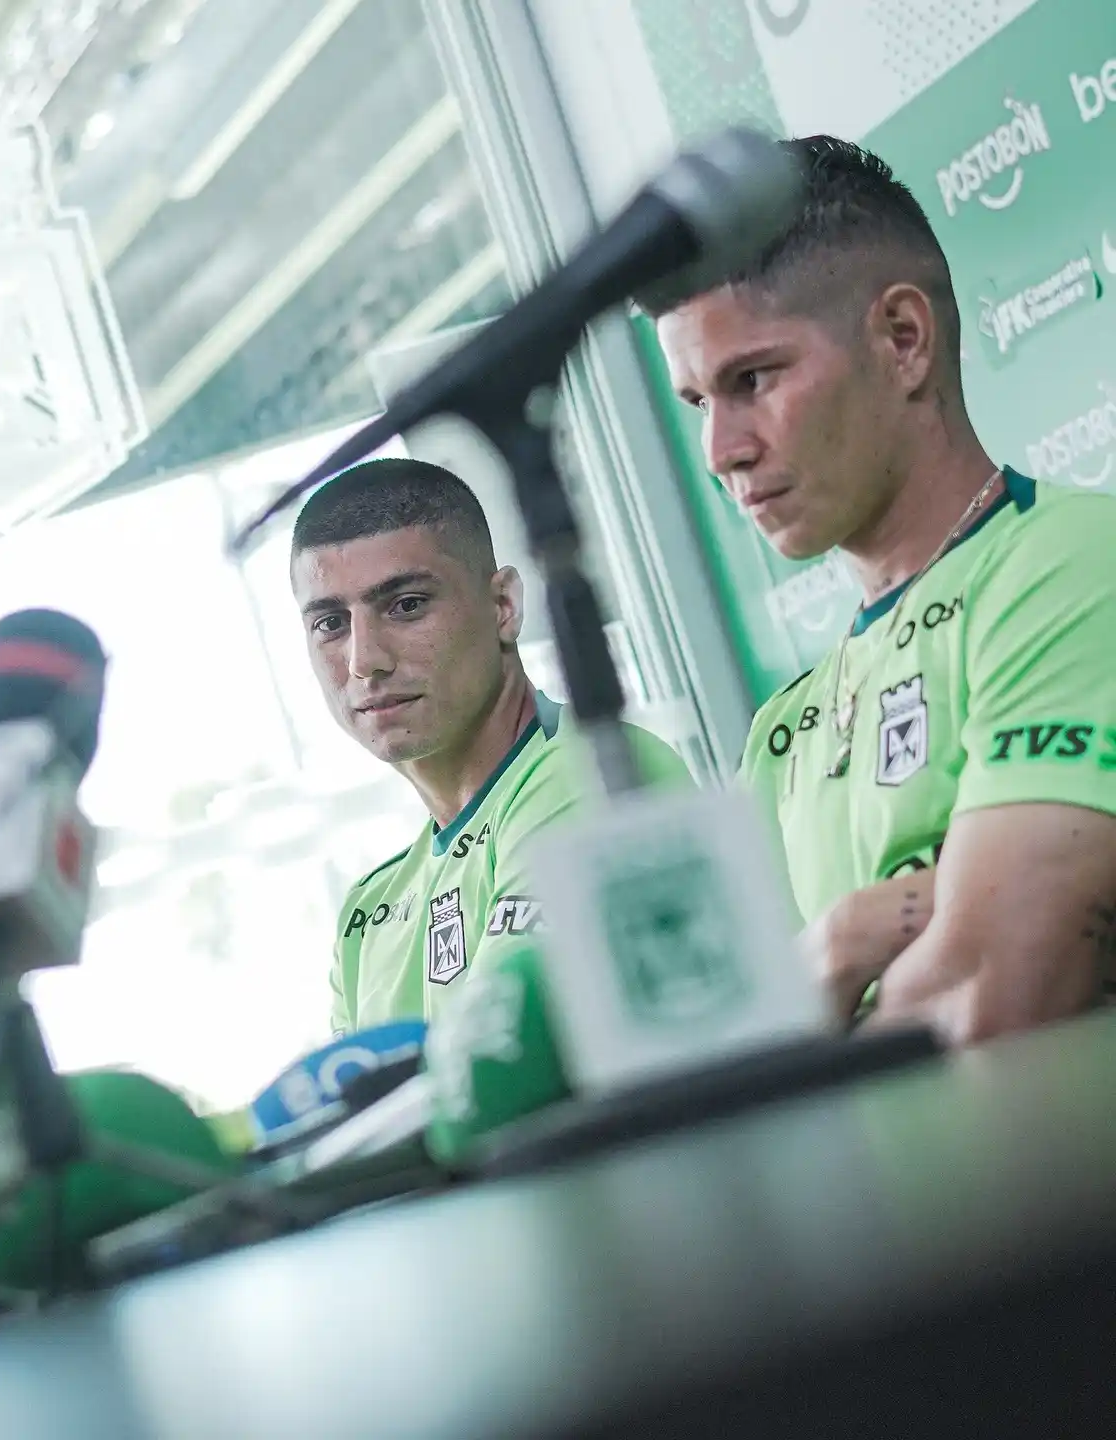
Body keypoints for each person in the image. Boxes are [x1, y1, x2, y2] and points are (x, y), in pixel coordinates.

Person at [651, 134, 1116, 1045]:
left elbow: (988, 1000)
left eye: (754, 379)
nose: (721, 452)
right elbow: (746, 1061)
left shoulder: (1071, 559)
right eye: (700, 402)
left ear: (904, 340)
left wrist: (829, 979)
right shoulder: (779, 736)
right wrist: (837, 942)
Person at [289, 456, 691, 1033]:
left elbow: (511, 1067)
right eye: (330, 623)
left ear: (503, 605)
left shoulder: (595, 775)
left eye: (405, 605)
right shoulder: (367, 913)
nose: (364, 660)